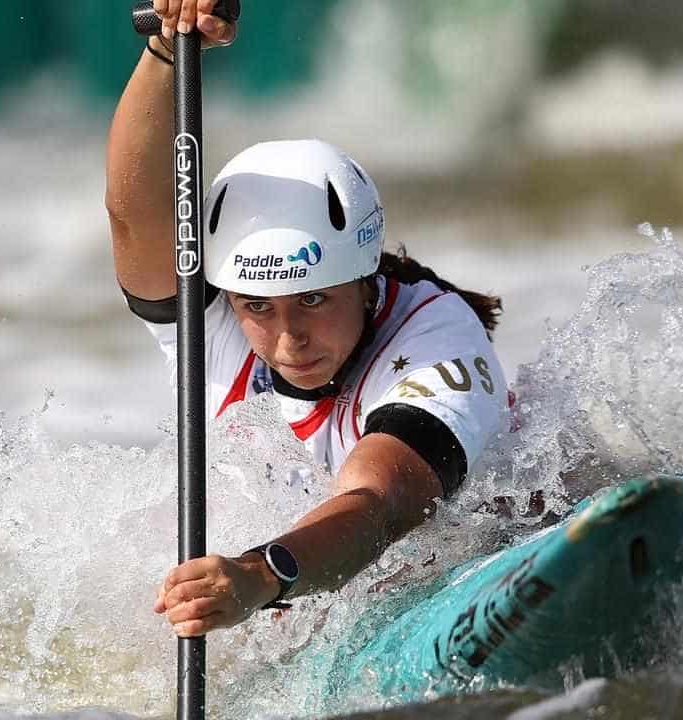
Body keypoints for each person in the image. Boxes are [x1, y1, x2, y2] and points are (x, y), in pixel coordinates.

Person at [104, 2, 510, 638]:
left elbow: (378, 508)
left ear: (365, 280)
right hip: (293, 578)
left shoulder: (438, 344)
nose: (288, 337)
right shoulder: (214, 324)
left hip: (472, 542)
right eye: (258, 307)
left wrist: (258, 577)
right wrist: (165, 49)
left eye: (315, 300)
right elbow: (136, 216)